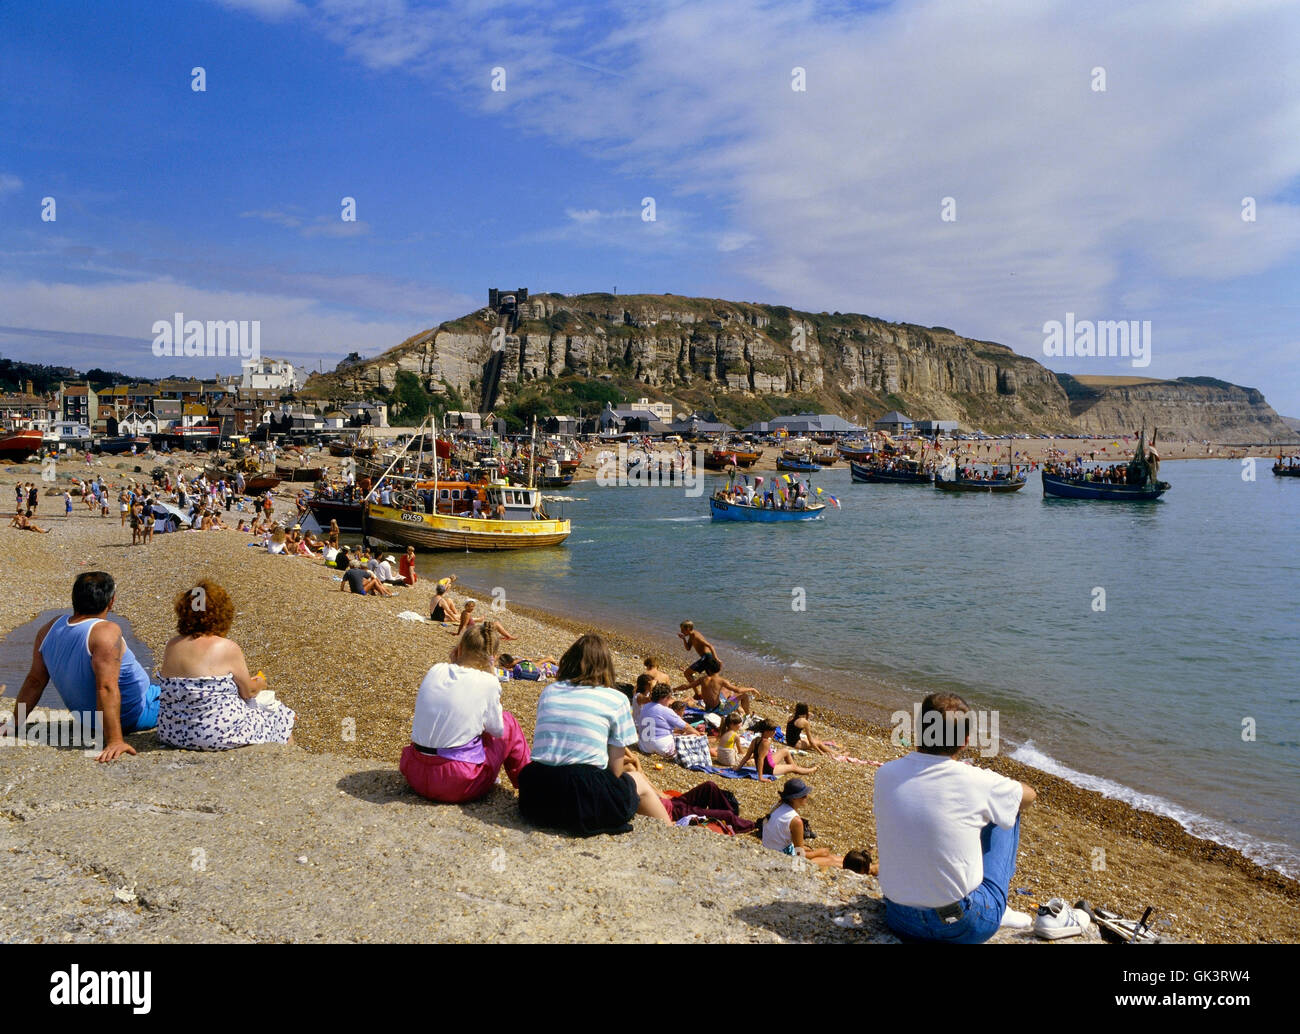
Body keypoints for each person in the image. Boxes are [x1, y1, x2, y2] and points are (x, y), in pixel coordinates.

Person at [873, 692, 1036, 944]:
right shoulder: (977, 782)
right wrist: (997, 782)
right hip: (959, 924)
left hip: (899, 916)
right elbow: (1029, 797)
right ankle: (996, 905)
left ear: (919, 731)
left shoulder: (885, 774)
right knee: (1008, 808)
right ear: (965, 742)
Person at [518, 633, 671, 834]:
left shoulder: (550, 691)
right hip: (581, 798)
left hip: (536, 794)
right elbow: (614, 771)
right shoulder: (616, 699)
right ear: (606, 666)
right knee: (638, 782)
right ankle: (671, 831)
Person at [3, 572, 160, 762]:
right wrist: (115, 740)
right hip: (138, 712)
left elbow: (35, 681)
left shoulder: (49, 629)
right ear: (111, 601)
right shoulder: (105, 632)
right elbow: (106, 687)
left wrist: (14, 724)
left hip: (87, 719)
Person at [156, 579, 295, 750]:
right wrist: (260, 681)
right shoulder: (226, 647)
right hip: (213, 734)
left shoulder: (172, 645)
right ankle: (289, 765)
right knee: (281, 716)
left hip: (171, 731)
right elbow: (248, 692)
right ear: (221, 614)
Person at [399, 624, 531, 804]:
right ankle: (529, 786)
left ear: (459, 648)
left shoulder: (436, 669)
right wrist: (490, 675)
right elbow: (498, 731)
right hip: (456, 783)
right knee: (508, 722)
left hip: (414, 772)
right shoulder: (488, 681)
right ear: (494, 658)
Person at [760, 779, 841, 867]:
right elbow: (800, 855)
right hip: (782, 860)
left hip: (771, 851)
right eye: (803, 795)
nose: (807, 797)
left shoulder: (777, 806)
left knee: (821, 854)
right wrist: (819, 852)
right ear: (794, 798)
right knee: (831, 860)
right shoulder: (795, 821)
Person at [675, 656, 759, 714]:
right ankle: (747, 716)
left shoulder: (703, 679)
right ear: (718, 669)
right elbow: (738, 690)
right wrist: (751, 689)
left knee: (725, 690)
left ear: (708, 670)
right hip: (719, 710)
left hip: (708, 708)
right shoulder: (721, 680)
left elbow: (686, 686)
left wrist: (675, 689)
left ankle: (736, 706)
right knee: (743, 695)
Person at [637, 683, 704, 757]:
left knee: (678, 734)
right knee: (694, 736)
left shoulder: (645, 707)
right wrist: (698, 735)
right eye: (669, 698)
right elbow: (686, 727)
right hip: (662, 747)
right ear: (666, 697)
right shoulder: (665, 710)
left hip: (644, 746)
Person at [736, 719, 816, 778]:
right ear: (766, 731)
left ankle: (794, 769)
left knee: (785, 751)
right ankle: (810, 770)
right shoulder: (765, 743)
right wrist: (760, 777)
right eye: (773, 731)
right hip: (768, 769)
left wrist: (738, 768)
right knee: (793, 767)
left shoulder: (755, 740)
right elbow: (760, 759)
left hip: (767, 763)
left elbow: (747, 756)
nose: (775, 733)